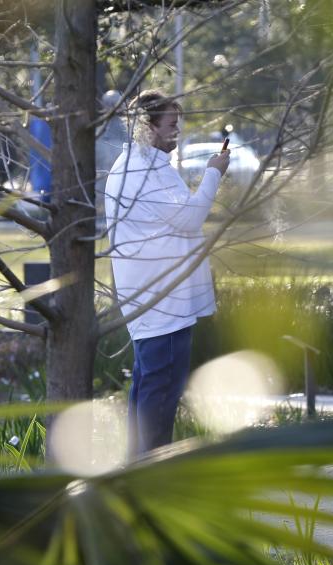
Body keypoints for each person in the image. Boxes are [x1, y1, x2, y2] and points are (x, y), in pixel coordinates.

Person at [104, 89, 230, 456]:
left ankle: (137, 473)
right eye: (171, 125)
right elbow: (190, 218)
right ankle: (151, 478)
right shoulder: (142, 172)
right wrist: (212, 173)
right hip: (163, 304)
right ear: (147, 127)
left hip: (155, 301)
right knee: (159, 398)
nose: (178, 132)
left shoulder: (141, 167)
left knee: (147, 392)